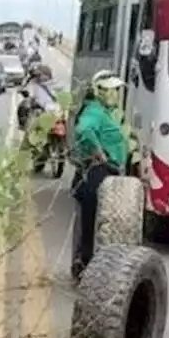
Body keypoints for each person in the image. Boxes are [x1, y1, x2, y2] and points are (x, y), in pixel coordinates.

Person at [70, 72, 129, 281]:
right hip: (96, 173)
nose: (115, 93)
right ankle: (85, 264)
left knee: (93, 223)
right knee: (91, 223)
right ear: (99, 91)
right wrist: (99, 152)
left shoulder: (104, 112)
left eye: (116, 90)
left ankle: (86, 263)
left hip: (104, 172)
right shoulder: (94, 111)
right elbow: (84, 130)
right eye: (111, 90)